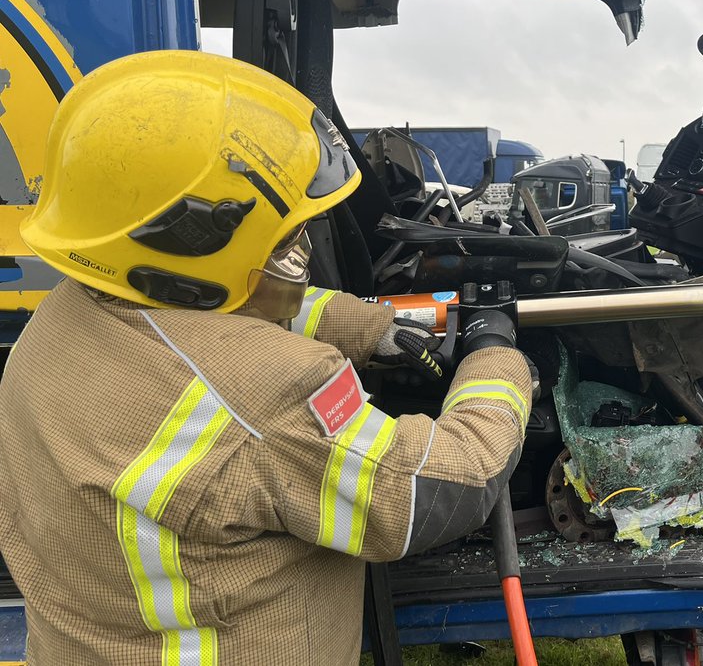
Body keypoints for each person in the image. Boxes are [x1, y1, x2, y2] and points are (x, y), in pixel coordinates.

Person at [0, 51, 532, 665]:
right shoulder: (269, 391)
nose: (300, 246)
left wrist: (384, 325)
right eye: (282, 236)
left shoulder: (65, 314)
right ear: (193, 245)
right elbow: (437, 489)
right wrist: (496, 359)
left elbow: (248, 310)